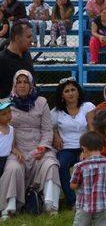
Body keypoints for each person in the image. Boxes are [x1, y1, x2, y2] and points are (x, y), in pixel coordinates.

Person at [0, 70, 61, 217]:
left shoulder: (41, 102)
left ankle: (50, 205)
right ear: (14, 84)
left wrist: (43, 147)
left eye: (25, 82)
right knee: (13, 168)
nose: (22, 85)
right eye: (19, 82)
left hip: (40, 146)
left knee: (51, 164)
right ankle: (9, 208)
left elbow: (47, 129)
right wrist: (14, 149)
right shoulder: (6, 104)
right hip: (17, 149)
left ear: (31, 84)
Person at [50, 77, 95, 208]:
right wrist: (56, 135)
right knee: (61, 165)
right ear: (62, 95)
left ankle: (91, 198)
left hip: (85, 146)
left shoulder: (87, 107)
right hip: (67, 148)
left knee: (89, 163)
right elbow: (50, 127)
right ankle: (73, 201)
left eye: (73, 90)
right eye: (67, 91)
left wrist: (87, 149)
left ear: (78, 92)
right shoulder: (56, 112)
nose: (70, 93)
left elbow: (92, 129)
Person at [70, 131, 106, 226]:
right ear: (102, 148)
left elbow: (73, 185)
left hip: (84, 205)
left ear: (83, 149)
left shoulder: (80, 166)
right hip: (104, 204)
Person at [0, 21, 34, 98]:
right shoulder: (1, 59)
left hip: (29, 106)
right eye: (28, 37)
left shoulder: (27, 55)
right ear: (17, 38)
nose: (32, 40)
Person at [0, 98, 13, 187]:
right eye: (4, 114)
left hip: (7, 159)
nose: (8, 115)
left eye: (9, 112)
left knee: (4, 180)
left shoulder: (12, 129)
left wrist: (17, 152)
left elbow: (12, 145)